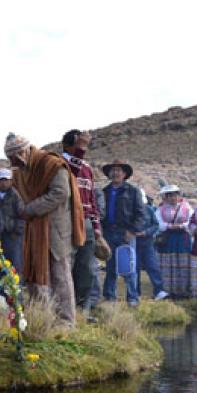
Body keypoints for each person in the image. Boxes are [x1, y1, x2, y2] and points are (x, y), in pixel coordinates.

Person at [5, 133, 84, 325]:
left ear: (24, 151)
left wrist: (30, 209)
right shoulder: (20, 171)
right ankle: (41, 320)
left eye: (15, 157)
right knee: (35, 274)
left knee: (60, 275)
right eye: (10, 158)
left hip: (55, 229)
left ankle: (65, 322)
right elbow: (19, 195)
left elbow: (60, 193)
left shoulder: (51, 165)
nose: (13, 162)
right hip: (34, 229)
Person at [61, 130, 104, 312]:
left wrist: (96, 227)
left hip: (85, 221)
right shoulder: (59, 163)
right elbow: (71, 173)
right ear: (68, 146)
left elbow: (91, 199)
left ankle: (82, 309)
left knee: (86, 268)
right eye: (78, 145)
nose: (82, 149)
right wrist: (80, 150)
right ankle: (65, 309)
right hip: (67, 221)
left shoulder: (86, 168)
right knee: (66, 266)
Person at [100, 159, 144, 307]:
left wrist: (132, 231)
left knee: (128, 266)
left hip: (126, 233)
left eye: (119, 170)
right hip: (108, 232)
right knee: (110, 266)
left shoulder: (133, 191)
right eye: (113, 170)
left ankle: (132, 298)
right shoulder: (104, 192)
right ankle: (109, 298)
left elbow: (141, 214)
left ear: (124, 174)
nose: (115, 173)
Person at [155, 185, 193, 297]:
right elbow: (159, 224)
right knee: (168, 263)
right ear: (166, 197)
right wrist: (170, 226)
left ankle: (184, 290)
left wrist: (181, 226)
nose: (173, 198)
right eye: (170, 195)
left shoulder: (186, 207)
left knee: (183, 262)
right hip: (168, 239)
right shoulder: (161, 209)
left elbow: (192, 220)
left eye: (175, 195)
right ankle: (168, 290)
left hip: (182, 238)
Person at [135, 190, 167, 299]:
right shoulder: (128, 211)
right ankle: (135, 293)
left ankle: (159, 291)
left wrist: (146, 232)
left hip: (148, 243)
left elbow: (155, 225)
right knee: (135, 269)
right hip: (133, 243)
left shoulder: (149, 210)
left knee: (153, 267)